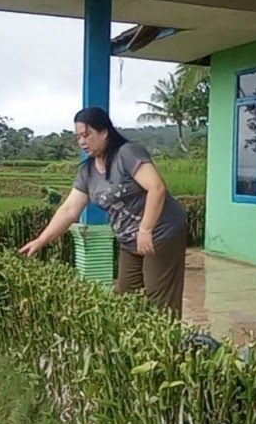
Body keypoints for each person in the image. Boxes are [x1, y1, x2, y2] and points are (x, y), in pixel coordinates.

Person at [20, 107, 189, 314]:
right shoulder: (88, 171)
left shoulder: (127, 154)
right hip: (129, 239)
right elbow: (69, 210)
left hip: (161, 232)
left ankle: (167, 334)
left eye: (86, 135)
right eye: (78, 137)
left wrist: (146, 230)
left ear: (104, 132)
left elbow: (157, 187)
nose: (82, 142)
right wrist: (40, 241)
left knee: (160, 300)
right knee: (127, 297)